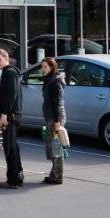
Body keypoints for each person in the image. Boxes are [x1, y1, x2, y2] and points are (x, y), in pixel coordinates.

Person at [0, 47, 23, 189]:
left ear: (6, 59)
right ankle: (18, 176)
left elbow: (11, 95)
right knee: (13, 146)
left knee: (9, 148)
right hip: (14, 114)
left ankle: (13, 180)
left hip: (10, 116)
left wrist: (4, 115)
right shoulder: (12, 72)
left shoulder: (8, 73)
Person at [41, 57, 66, 185]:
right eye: (42, 67)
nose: (42, 69)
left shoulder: (54, 82)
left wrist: (57, 122)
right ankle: (54, 173)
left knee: (55, 147)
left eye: (45, 67)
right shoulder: (49, 80)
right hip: (52, 117)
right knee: (51, 146)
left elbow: (56, 103)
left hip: (55, 118)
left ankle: (57, 176)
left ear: (51, 67)